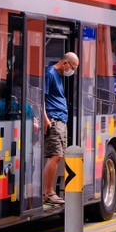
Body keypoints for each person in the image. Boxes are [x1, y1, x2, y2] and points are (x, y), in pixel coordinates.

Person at [43, 52, 79, 205]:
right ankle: (48, 192)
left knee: (59, 156)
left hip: (61, 120)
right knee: (55, 155)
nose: (73, 71)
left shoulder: (58, 76)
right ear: (65, 63)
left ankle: (51, 191)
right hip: (54, 119)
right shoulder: (50, 74)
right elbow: (41, 97)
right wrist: (45, 119)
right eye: (73, 67)